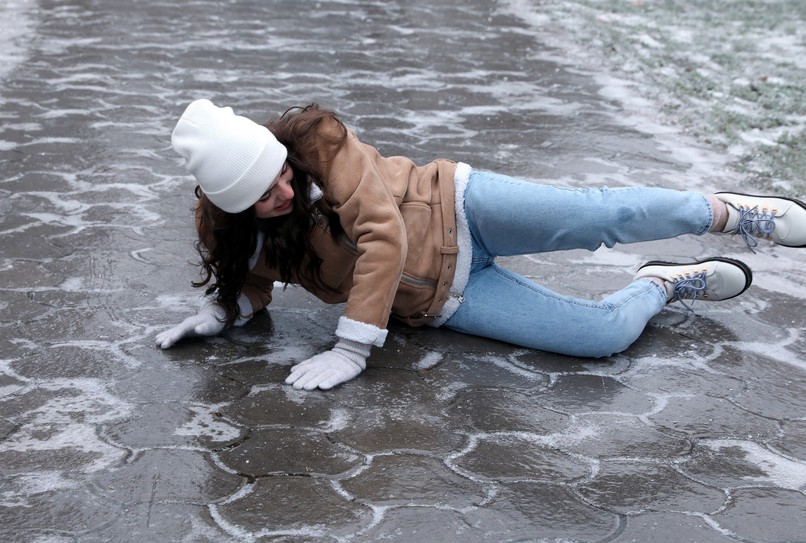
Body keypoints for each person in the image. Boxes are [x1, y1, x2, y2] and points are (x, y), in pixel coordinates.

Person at [157, 99, 806, 390]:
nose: (285, 193)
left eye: (281, 174)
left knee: (598, 217)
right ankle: (665, 283)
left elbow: (382, 234)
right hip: (440, 298)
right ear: (233, 206)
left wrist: (354, 345)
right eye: (265, 196)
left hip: (461, 207)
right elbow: (253, 282)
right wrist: (222, 311)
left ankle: (730, 214)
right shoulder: (225, 225)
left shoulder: (318, 141)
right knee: (599, 339)